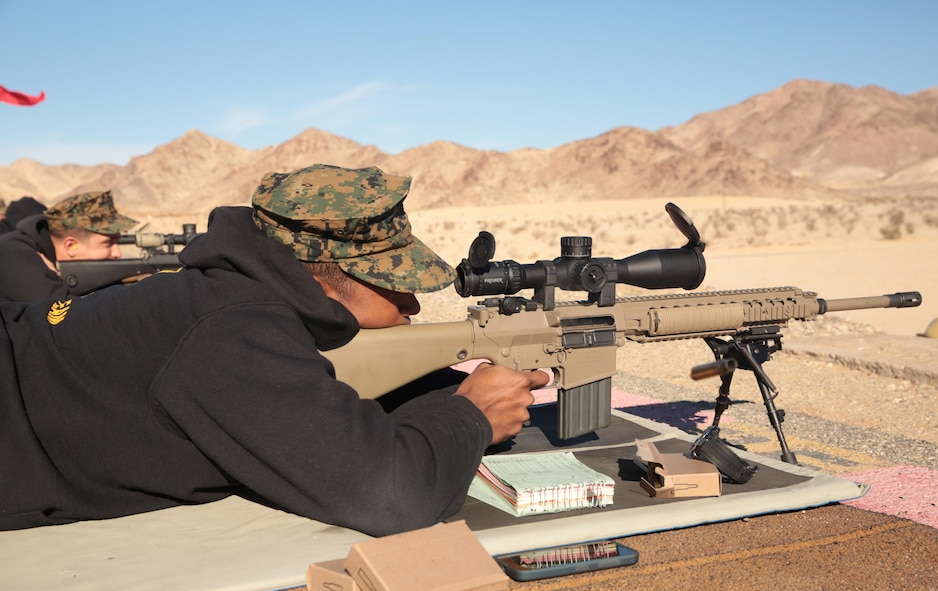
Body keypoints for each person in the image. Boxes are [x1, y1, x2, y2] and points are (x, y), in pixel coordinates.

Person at [0, 163, 549, 537]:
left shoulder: (228, 295)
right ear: (331, 277)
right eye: (394, 278)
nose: (413, 300)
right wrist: (471, 414)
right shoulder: (235, 326)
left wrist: (443, 395)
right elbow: (391, 495)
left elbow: (320, 418)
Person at [0, 191, 139, 303]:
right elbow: (65, 321)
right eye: (108, 243)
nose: (117, 253)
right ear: (71, 246)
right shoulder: (13, 254)